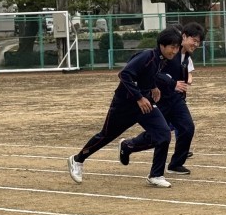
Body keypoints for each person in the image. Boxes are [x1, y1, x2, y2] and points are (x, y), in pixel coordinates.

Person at [67, 27, 182, 188]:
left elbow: (147, 75)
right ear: (162, 45)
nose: (175, 51)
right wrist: (139, 97)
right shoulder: (147, 56)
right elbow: (124, 74)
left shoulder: (161, 59)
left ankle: (156, 175)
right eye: (172, 47)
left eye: (177, 47)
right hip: (124, 104)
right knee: (106, 136)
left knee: (163, 133)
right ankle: (77, 159)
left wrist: (153, 87)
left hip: (145, 105)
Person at [156, 22, 205, 175]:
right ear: (184, 36)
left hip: (176, 100)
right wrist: (172, 83)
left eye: (198, 42)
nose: (196, 44)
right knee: (157, 134)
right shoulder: (170, 54)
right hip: (162, 99)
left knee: (187, 127)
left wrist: (183, 85)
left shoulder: (186, 57)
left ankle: (176, 164)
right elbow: (155, 73)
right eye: (194, 40)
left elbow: (186, 75)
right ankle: (128, 146)